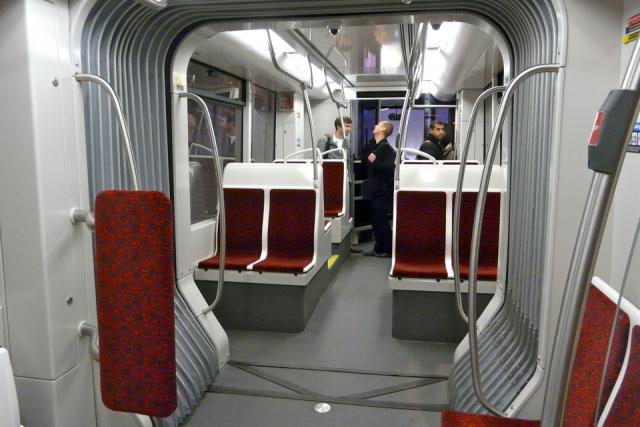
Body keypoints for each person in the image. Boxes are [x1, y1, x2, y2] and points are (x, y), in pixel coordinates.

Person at [364, 121, 395, 257]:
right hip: (375, 189)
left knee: (382, 220)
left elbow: (389, 169)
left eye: (378, 124)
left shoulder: (387, 148)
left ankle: (387, 249)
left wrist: (374, 161)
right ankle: (378, 247)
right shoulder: (377, 145)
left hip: (382, 190)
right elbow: (367, 153)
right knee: (376, 220)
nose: (375, 125)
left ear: (382, 129)